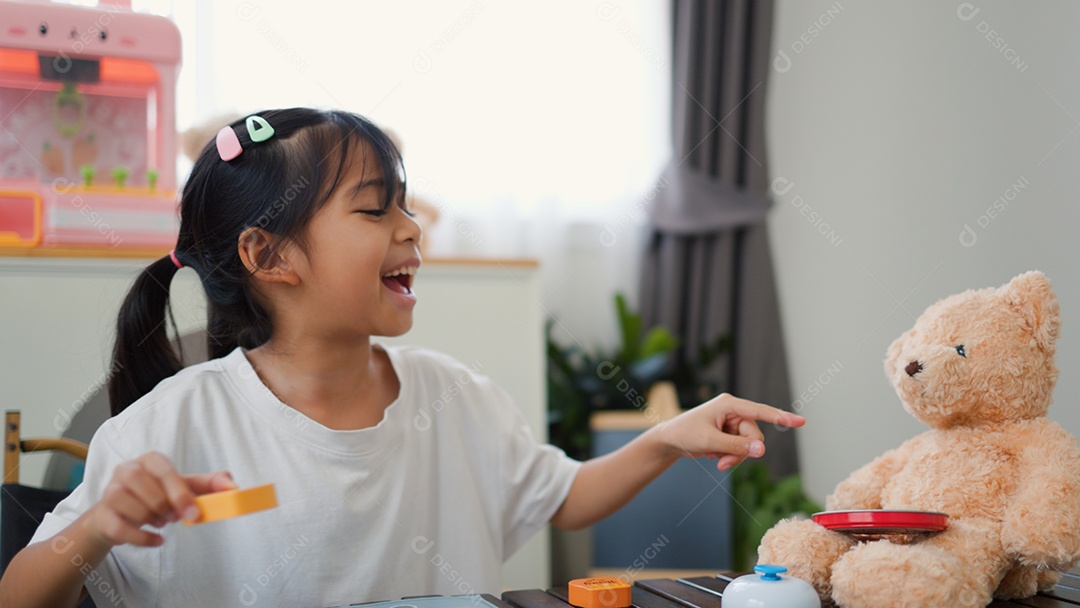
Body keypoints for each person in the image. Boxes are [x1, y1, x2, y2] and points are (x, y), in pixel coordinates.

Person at [0, 109, 804, 608]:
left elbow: (563, 496)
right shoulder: (168, 426)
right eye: (375, 210)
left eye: (408, 204)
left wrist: (667, 437)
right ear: (270, 253)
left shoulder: (457, 397)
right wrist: (101, 525)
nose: (413, 229)